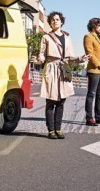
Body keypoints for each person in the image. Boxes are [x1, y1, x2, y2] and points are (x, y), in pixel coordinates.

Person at [33, 11, 88, 139]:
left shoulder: (67, 38)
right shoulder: (46, 37)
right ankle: (51, 130)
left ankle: (58, 129)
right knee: (51, 101)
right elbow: (42, 54)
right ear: (50, 23)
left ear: (62, 22)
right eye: (52, 20)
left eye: (57, 19)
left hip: (64, 69)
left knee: (61, 101)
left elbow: (70, 57)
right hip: (51, 68)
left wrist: (81, 58)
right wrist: (39, 60)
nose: (55, 21)